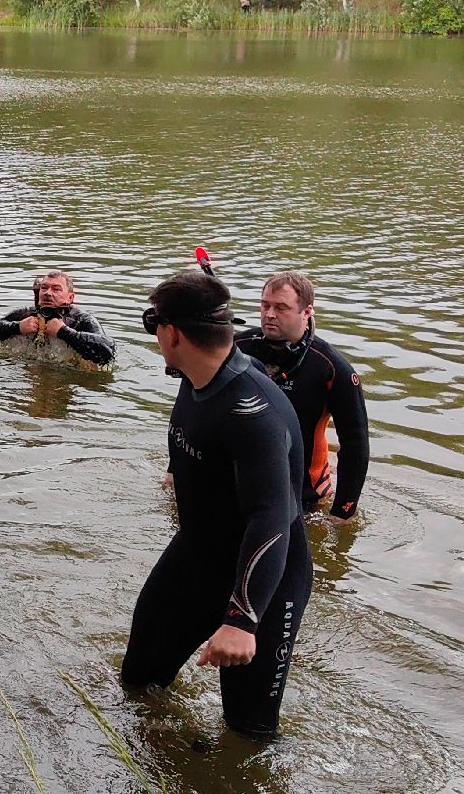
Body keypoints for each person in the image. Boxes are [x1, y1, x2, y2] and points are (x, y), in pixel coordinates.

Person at [122, 271, 311, 738]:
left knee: (247, 735)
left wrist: (242, 620)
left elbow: (271, 518)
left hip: (264, 578)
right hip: (196, 554)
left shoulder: (251, 412)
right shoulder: (199, 373)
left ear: (172, 334)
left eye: (154, 326)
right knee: (138, 681)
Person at [236, 272, 370, 518]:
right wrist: (175, 470)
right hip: (240, 484)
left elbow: (356, 443)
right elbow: (197, 406)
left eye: (281, 307)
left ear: (307, 312)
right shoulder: (237, 348)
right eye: (265, 305)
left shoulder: (331, 368)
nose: (269, 314)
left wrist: (343, 511)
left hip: (305, 496)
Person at [0, 270, 117, 365]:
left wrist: (64, 332)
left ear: (70, 298)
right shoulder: (25, 315)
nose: (48, 293)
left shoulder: (80, 320)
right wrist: (17, 327)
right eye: (44, 288)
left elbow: (107, 351)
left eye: (56, 289)